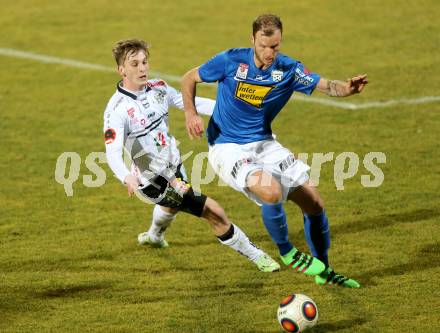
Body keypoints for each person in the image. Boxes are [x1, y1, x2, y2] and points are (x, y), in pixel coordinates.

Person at [181, 14, 368, 288]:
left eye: (275, 47)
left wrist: (348, 89)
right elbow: (189, 77)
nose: (269, 53)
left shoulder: (288, 69)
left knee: (314, 203)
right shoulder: (230, 61)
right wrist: (190, 113)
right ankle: (287, 252)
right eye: (264, 46)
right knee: (271, 192)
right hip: (226, 146)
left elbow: (327, 86)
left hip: (265, 143)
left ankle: (324, 270)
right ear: (253, 40)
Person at [103, 38, 280, 273]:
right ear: (121, 69)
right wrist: (126, 177)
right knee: (212, 211)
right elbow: (112, 152)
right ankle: (256, 255)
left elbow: (190, 103)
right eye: (134, 64)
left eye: (144, 62)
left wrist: (234, 111)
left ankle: (154, 236)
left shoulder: (158, 88)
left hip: (173, 164)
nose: (142, 68)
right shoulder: (116, 111)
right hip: (153, 180)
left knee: (172, 207)